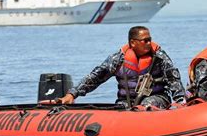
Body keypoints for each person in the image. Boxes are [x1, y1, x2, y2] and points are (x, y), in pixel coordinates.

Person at [56, 26, 186, 109]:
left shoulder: (159, 58)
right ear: (133, 43)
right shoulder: (117, 59)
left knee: (147, 105)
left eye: (149, 40)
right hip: (127, 101)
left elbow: (174, 80)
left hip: (157, 98)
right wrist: (72, 94)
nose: (148, 43)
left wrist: (181, 102)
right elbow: (95, 77)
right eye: (144, 40)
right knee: (118, 109)